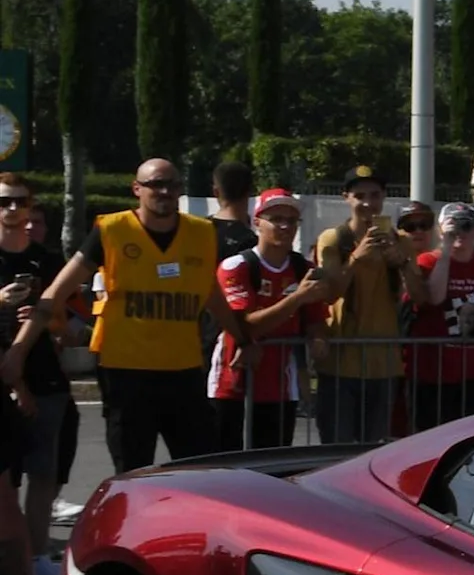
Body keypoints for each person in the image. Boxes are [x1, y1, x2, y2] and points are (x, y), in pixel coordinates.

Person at [22, 156, 231, 470]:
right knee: (133, 471)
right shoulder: (112, 230)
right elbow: (56, 292)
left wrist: (243, 337)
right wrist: (19, 349)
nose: (165, 191)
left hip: (183, 371)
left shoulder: (202, 232)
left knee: (200, 469)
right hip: (125, 373)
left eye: (172, 185)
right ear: (137, 189)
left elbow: (211, 292)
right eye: (155, 184)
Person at [0, 173, 80, 575]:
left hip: (46, 376)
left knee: (43, 473)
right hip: (3, 377)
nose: (13, 209)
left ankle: (36, 556)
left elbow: (66, 326)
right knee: (6, 478)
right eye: (4, 202)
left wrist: (46, 318)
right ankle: (9, 558)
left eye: (20, 202)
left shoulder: (48, 262)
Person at [210, 190, 333, 450]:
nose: (285, 226)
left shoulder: (304, 269)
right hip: (233, 384)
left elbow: (315, 319)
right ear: (257, 223)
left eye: (292, 220)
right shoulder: (236, 266)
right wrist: (296, 299)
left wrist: (318, 338)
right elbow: (246, 325)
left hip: (281, 388)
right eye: (276, 219)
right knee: (226, 464)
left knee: (273, 463)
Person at [312, 164, 419, 443]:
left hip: (384, 364)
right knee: (337, 449)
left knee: (374, 451)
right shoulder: (333, 239)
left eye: (375, 195)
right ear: (346, 198)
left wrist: (403, 263)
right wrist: (356, 258)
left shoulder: (401, 241)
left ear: (384, 197)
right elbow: (329, 294)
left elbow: (421, 298)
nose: (368, 203)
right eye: (359, 196)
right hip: (340, 364)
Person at [409, 206, 474, 427]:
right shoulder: (426, 262)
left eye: (466, 226)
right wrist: (445, 251)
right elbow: (435, 297)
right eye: (453, 227)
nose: (460, 232)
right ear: (439, 231)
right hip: (431, 372)